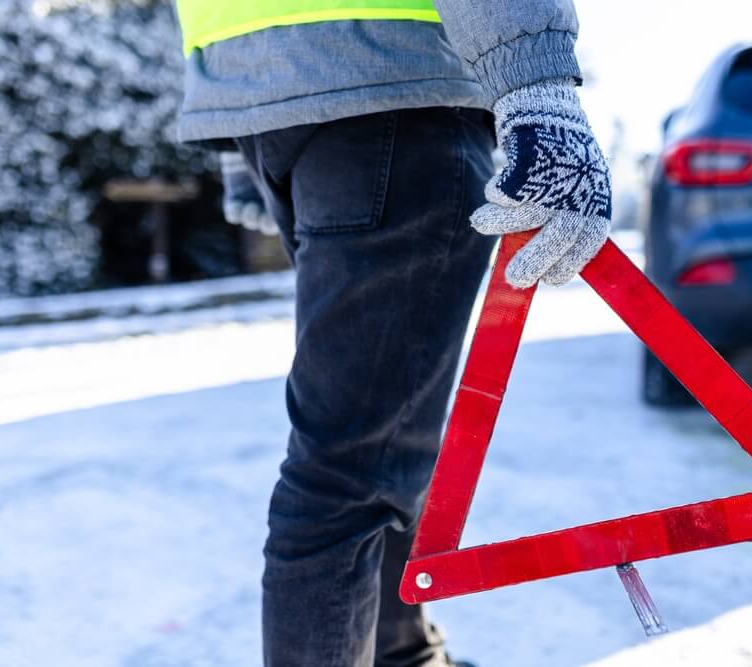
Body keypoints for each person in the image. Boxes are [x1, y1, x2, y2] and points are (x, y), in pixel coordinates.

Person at [172, 2, 611, 665]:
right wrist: (534, 82)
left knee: (383, 431)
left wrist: (231, 114)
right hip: (395, 90)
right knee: (349, 467)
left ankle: (402, 654)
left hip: (272, 102)